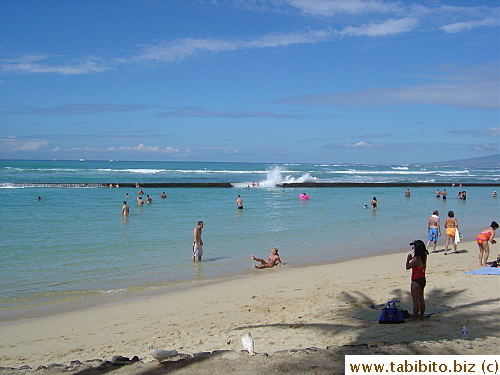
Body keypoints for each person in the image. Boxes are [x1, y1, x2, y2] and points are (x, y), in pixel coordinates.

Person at [405, 240, 428, 322]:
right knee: (421, 299)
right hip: (422, 279)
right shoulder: (424, 256)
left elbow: (407, 267)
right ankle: (421, 315)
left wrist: (408, 259)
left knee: (415, 301)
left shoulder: (416, 259)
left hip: (416, 280)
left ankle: (415, 318)